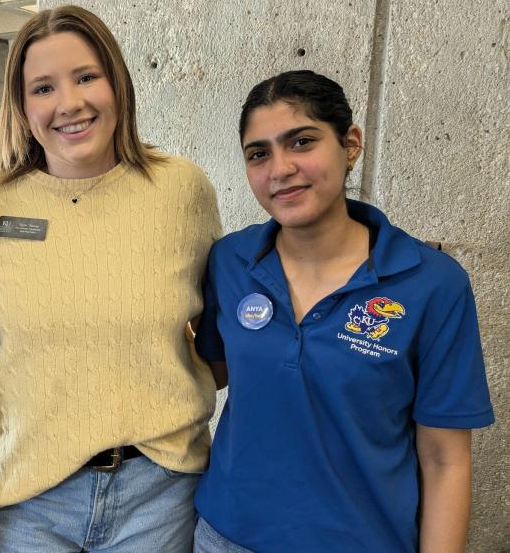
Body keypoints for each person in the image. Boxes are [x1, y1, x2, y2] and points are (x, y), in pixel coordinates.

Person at [0, 5, 222, 552]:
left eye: (87, 77)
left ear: (117, 82)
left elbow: (220, 341)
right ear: (21, 106)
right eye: (42, 87)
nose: (69, 103)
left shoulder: (181, 190)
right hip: (21, 501)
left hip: (159, 493)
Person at [192, 70, 494, 553]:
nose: (280, 168)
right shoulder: (230, 261)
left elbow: (444, 460)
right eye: (258, 154)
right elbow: (213, 372)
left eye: (302, 142)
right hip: (225, 536)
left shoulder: (432, 283)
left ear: (350, 144)